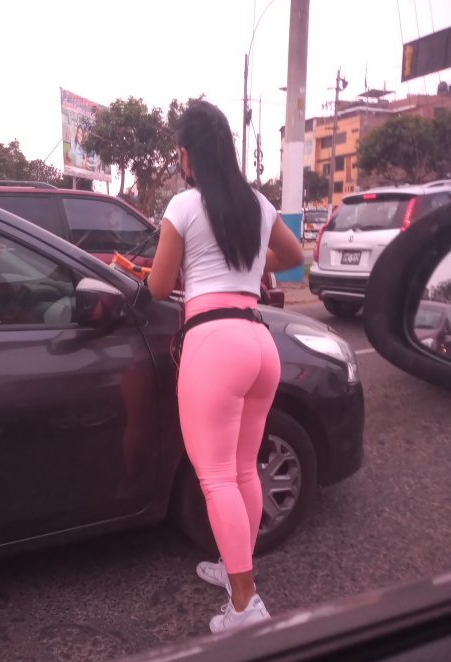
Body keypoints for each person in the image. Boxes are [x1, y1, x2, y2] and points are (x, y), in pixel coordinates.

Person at [146, 100, 303, 634]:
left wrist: (173, 267)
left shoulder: (184, 206)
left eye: (179, 153)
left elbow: (159, 287)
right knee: (242, 471)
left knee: (215, 477)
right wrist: (252, 268)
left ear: (188, 154)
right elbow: (293, 256)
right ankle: (237, 568)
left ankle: (245, 604)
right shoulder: (257, 204)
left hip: (213, 344)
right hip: (259, 342)